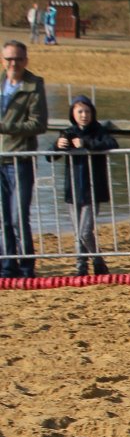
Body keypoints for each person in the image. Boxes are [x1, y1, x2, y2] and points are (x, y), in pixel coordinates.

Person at [54, 95, 118, 276]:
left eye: (87, 111)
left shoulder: (99, 130)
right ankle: (81, 265)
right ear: (73, 114)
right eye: (80, 111)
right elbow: (51, 156)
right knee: (77, 232)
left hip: (92, 189)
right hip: (73, 189)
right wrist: (57, 146)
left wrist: (87, 143)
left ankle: (98, 261)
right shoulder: (68, 132)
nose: (84, 115)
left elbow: (112, 144)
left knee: (85, 232)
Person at [0, 40, 47, 278]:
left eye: (18, 59)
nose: (13, 63)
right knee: (4, 219)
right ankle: (7, 266)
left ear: (25, 60)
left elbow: (38, 124)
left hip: (20, 159)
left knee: (19, 217)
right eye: (9, 58)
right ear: (2, 60)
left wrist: (5, 127)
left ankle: (27, 266)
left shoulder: (34, 85)